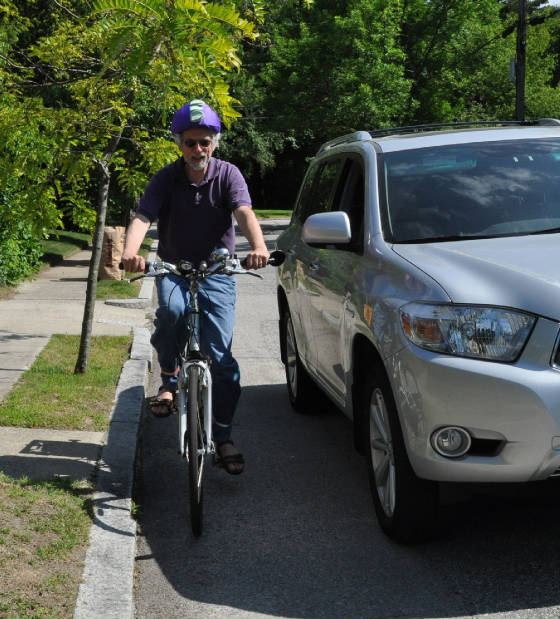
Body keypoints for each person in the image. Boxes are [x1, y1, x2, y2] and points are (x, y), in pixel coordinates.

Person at [121, 99, 270, 475]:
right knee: (170, 313)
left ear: (215, 142)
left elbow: (243, 212)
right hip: (174, 269)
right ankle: (169, 378)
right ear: (179, 143)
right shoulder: (165, 178)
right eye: (190, 142)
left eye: (205, 141)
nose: (198, 150)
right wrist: (130, 253)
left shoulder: (228, 175)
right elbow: (143, 216)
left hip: (217, 272)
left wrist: (259, 247)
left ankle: (222, 437)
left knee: (221, 359)